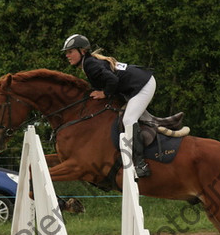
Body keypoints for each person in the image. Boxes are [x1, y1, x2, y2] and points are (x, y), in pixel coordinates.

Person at [61, 34, 155, 178]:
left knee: (129, 120)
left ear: (82, 51)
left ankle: (140, 164)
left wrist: (104, 93)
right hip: (136, 83)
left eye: (70, 51)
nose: (67, 55)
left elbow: (112, 80)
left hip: (143, 85)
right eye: (66, 52)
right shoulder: (89, 63)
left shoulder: (89, 64)